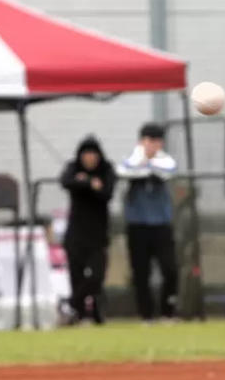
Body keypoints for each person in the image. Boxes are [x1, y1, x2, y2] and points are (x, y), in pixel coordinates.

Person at [116, 123, 179, 322]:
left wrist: (147, 167)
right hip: (138, 225)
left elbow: (169, 171)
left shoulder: (165, 159)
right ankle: (146, 315)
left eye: (157, 141)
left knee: (169, 269)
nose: (153, 145)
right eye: (149, 140)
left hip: (161, 224)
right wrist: (144, 165)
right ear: (142, 141)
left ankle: (167, 312)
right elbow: (124, 170)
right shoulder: (133, 158)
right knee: (141, 272)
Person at [59, 135, 117, 325]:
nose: (90, 158)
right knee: (76, 275)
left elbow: (106, 193)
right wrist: (88, 183)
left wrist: (89, 183)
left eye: (93, 154)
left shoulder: (107, 169)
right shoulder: (72, 168)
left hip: (98, 235)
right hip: (75, 234)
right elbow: (66, 181)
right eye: (86, 154)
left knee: (96, 276)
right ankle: (81, 315)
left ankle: (71, 304)